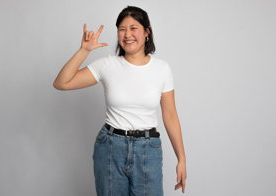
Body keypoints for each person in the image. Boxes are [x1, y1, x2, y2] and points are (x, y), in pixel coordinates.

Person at [53, 5, 186, 196]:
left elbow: (171, 116)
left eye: (133, 28)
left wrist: (181, 159)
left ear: (147, 32)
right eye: (121, 29)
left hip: (148, 150)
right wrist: (84, 50)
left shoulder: (162, 69)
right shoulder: (107, 64)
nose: (127, 34)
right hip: (110, 148)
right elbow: (61, 83)